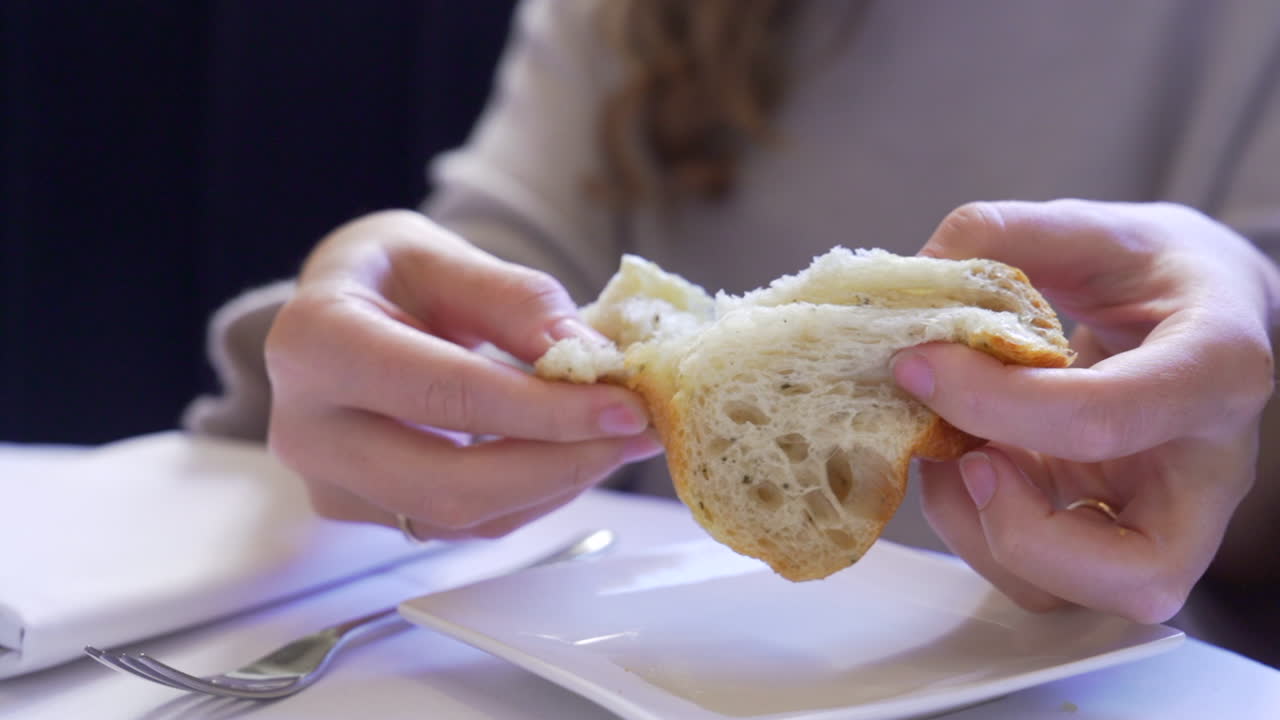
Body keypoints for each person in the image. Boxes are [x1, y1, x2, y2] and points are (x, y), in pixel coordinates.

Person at [185, 0, 1280, 658]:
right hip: (641, 665)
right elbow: (503, 281)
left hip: (1103, 682)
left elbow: (1247, 482)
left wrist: (1244, 371)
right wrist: (380, 346)